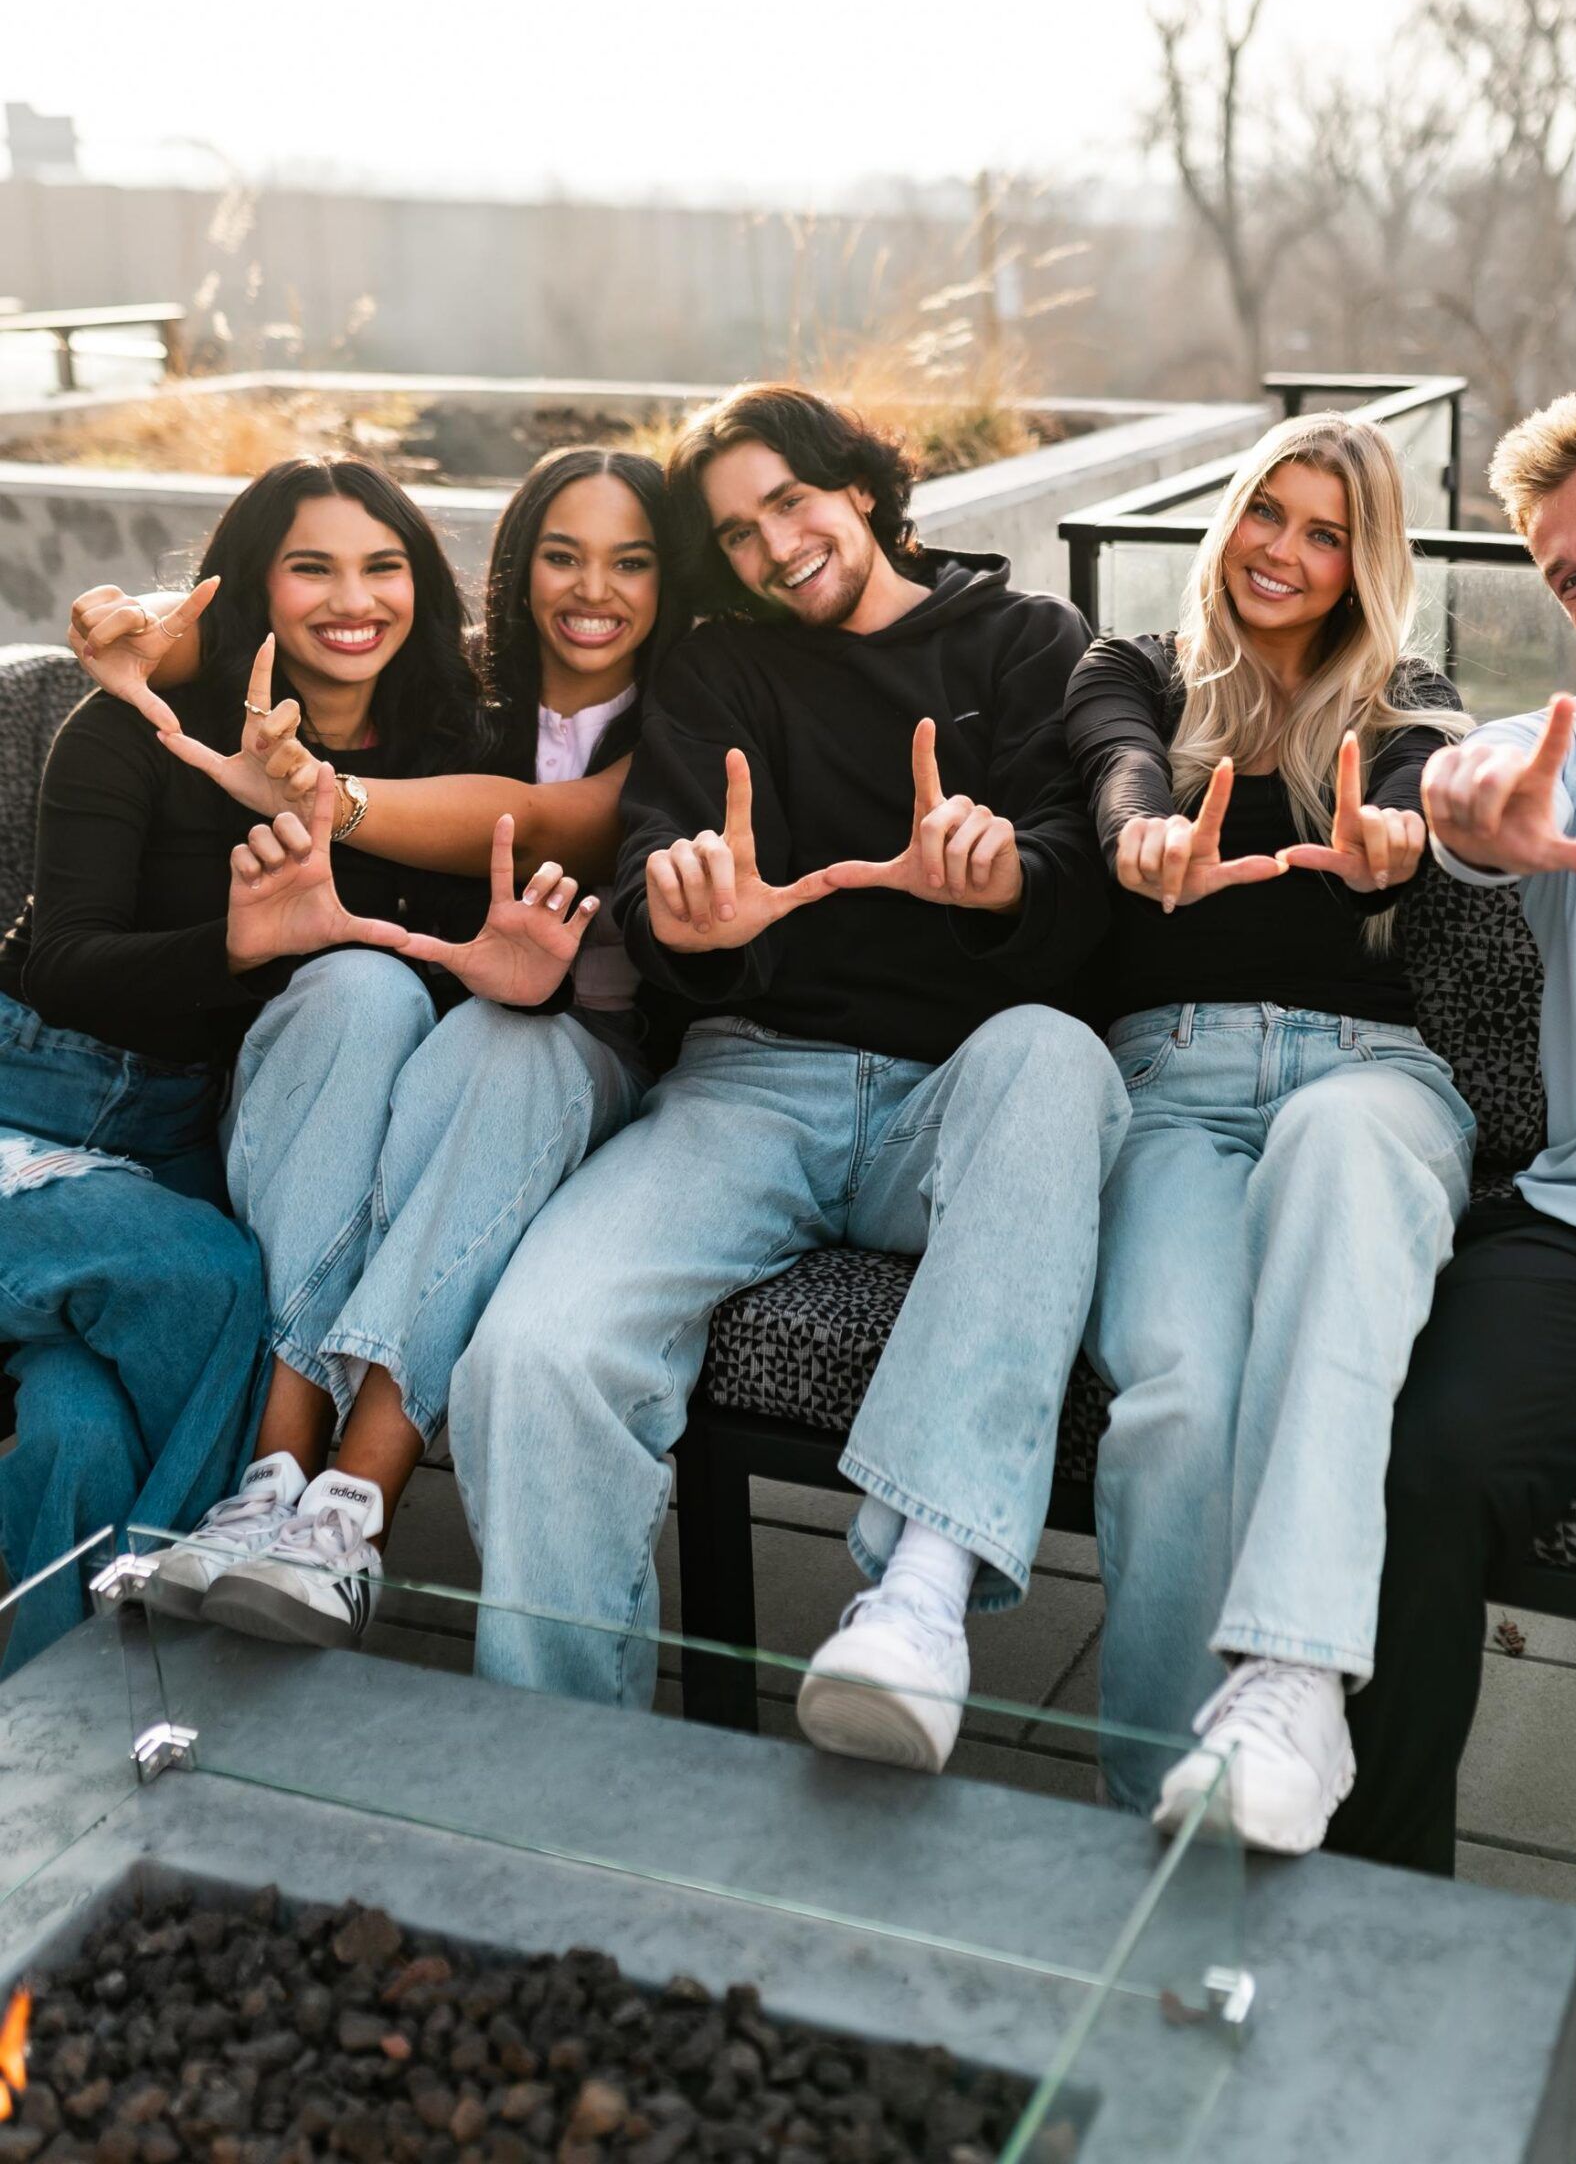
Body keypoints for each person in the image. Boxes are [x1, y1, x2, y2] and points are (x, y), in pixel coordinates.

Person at [450, 383, 1127, 1768]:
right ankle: (556, 1779)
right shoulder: (717, 668)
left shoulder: (1022, 641)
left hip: (962, 1096)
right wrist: (689, 920)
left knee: (1056, 1056)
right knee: (533, 1351)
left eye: (790, 505)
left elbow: (1082, 891)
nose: (772, 548)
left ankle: (916, 1602)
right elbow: (655, 869)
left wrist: (1004, 882)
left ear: (861, 489)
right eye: (736, 535)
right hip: (748, 1088)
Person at [83, 451, 682, 1647]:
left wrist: (320, 794)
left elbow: (568, 821)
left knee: (511, 1048)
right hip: (442, 1033)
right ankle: (274, 1490)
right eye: (561, 554)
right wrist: (145, 622)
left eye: (631, 560)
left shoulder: (693, 701)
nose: (592, 589)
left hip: (599, 1055)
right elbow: (230, 635)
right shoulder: (458, 699)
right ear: (514, 571)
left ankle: (352, 1507)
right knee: (373, 993)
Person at [0, 453, 490, 1671]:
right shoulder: (135, 727)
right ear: (254, 586)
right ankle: (185, 1613)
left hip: (180, 1139)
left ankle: (61, 1740)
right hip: (30, 1087)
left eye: (383, 566)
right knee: (214, 1284)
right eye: (310, 566)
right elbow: (58, 957)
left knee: (73, 1428)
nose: (352, 597)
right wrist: (230, 945)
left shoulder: (433, 759)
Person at [1065, 412, 1477, 1853]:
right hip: (1170, 1083)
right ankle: (1158, 1814)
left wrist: (1406, 839)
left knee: (1333, 1162)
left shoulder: (1404, 699)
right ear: (1228, 516)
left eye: (1324, 534)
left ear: (1363, 565)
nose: (1284, 555)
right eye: (1267, 516)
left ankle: (1294, 1684)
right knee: (1177, 1398)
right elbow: (1116, 762)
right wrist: (1139, 840)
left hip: (1364, 1075)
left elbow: (1436, 788)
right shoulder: (1133, 668)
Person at [1330, 379, 1576, 1875]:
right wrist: (1466, 803)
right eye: (1566, 574)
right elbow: (1462, 798)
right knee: (1419, 1469)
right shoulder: (1564, 756)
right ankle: (1374, 1914)